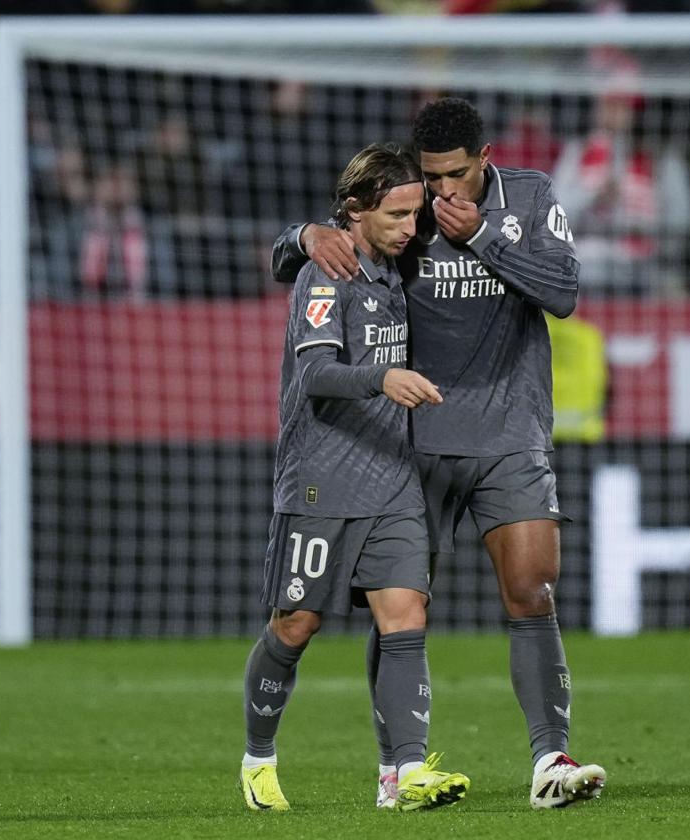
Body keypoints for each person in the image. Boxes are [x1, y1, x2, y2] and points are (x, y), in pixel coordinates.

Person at [271, 97, 606, 810]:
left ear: (485, 161)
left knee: (532, 590)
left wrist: (484, 236)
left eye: (454, 176)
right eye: (431, 178)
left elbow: (565, 293)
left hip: (509, 433)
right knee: (401, 608)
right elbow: (301, 252)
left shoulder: (531, 199)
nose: (440, 194)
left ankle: (551, 757)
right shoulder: (407, 209)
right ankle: (399, 769)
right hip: (408, 442)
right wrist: (302, 236)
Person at [240, 143, 469, 813]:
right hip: (320, 482)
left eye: (414, 213)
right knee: (297, 624)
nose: (409, 226)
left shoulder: (405, 263)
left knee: (405, 615)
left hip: (394, 478)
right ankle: (258, 760)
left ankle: (403, 774)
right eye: (396, 215)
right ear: (356, 213)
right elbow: (314, 377)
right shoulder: (326, 273)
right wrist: (382, 377)